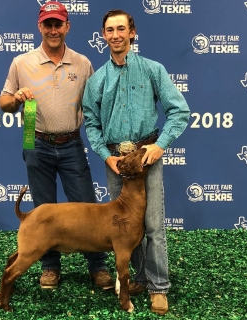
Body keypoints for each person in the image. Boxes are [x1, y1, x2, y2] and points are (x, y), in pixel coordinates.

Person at [0, 2, 113, 291]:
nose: (53, 30)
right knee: (43, 209)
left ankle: (97, 266)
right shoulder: (21, 62)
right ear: (40, 26)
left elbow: (96, 104)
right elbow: (4, 104)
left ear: (67, 27)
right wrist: (17, 100)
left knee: (88, 208)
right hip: (34, 137)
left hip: (72, 141)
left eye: (58, 24)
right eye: (47, 24)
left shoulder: (83, 62)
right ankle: (50, 267)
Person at [82, 9, 190, 316]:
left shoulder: (154, 70)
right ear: (103, 36)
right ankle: (138, 278)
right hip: (116, 161)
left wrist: (160, 144)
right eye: (109, 30)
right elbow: (90, 123)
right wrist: (106, 156)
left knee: (153, 223)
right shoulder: (97, 80)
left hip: (146, 159)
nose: (115, 35)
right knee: (126, 226)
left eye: (121, 29)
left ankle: (158, 286)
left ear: (132, 32)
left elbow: (180, 111)